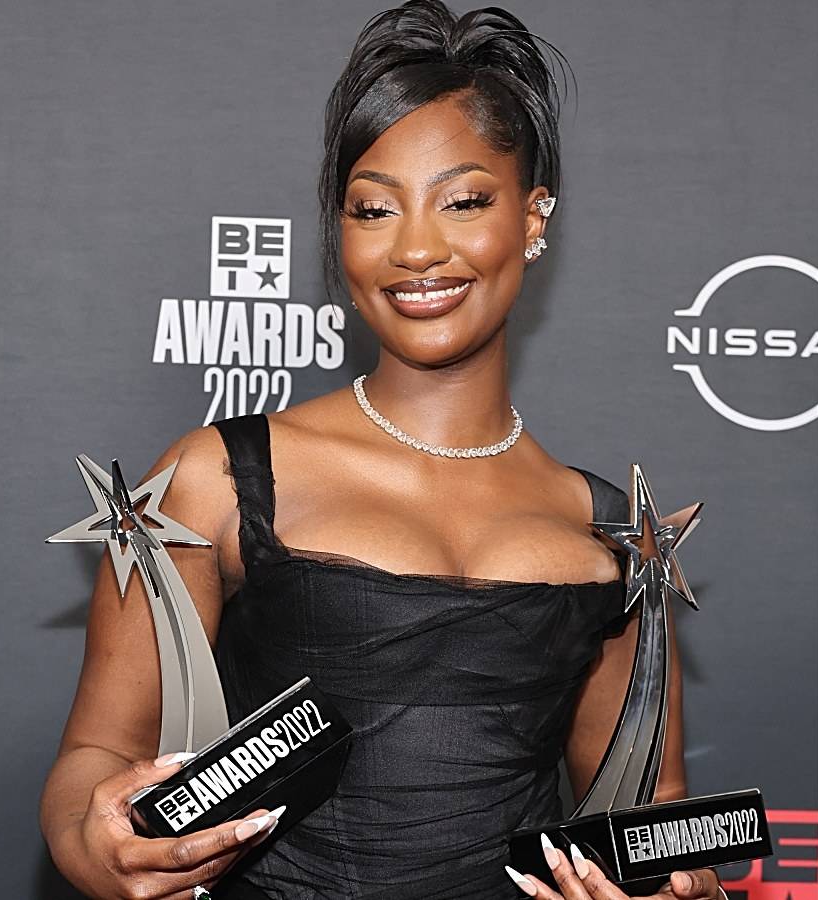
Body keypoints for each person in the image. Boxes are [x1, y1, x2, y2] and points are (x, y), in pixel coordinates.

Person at [39, 3, 723, 898]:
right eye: (372, 209)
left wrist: (683, 889)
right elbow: (96, 755)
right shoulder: (218, 478)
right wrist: (94, 843)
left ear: (533, 216)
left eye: (465, 201)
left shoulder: (614, 535)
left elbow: (651, 813)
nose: (416, 249)